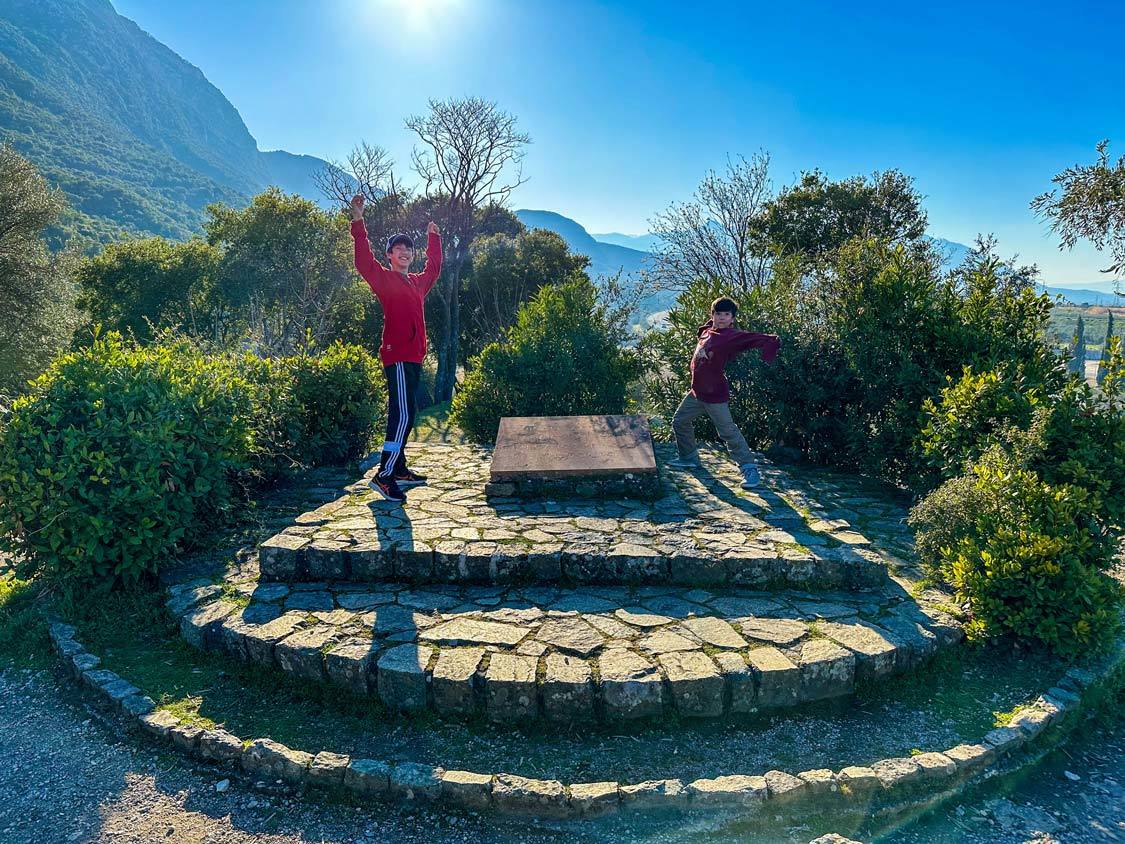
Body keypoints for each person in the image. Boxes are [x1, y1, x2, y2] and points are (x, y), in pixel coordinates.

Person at [349, 194, 442, 503]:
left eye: (408, 249)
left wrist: (433, 239)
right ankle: (384, 475)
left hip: (414, 357)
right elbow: (363, 261)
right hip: (397, 357)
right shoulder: (384, 279)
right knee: (401, 416)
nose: (404, 252)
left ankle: (399, 467)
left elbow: (434, 269)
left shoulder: (417, 283)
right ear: (389, 255)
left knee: (408, 413)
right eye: (398, 249)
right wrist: (358, 220)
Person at [668, 296, 780, 489]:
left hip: (715, 395)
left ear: (732, 318)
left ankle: (749, 469)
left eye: (726, 314)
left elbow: (751, 338)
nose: (721, 318)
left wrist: (771, 342)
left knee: (727, 431)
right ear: (712, 315)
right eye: (718, 314)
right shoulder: (707, 331)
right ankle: (688, 458)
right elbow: (704, 331)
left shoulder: (729, 336)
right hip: (697, 393)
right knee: (679, 421)